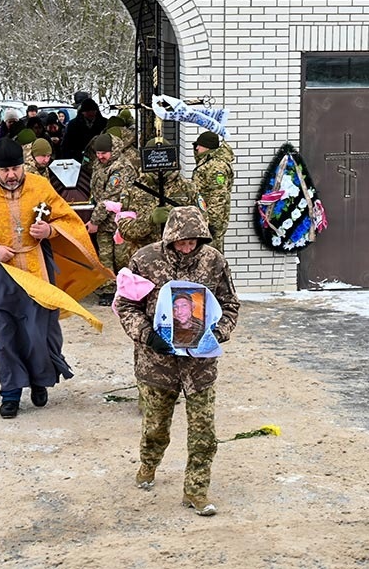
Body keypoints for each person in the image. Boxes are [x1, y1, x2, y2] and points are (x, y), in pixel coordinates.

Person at [0, 138, 112, 419]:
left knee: (39, 333)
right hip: (1, 272)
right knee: (6, 336)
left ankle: (40, 381)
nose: (11, 175)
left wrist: (49, 232)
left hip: (36, 268)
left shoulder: (40, 187)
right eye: (4, 170)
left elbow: (68, 220)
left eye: (16, 168)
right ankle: (11, 393)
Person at [115, 206, 240, 517]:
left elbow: (229, 303)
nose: (188, 248)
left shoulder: (213, 261)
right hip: (157, 363)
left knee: (204, 431)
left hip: (200, 364)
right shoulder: (145, 261)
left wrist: (218, 333)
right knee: (157, 426)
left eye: (193, 242)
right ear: (169, 239)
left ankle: (196, 491)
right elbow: (125, 304)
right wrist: (146, 334)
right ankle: (148, 463)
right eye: (181, 242)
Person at [87, 132, 136, 305]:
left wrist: (94, 221)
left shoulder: (121, 168)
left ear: (113, 150)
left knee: (122, 257)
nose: (100, 156)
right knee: (105, 256)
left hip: (120, 221)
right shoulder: (99, 164)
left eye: (103, 153)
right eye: (98, 153)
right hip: (104, 222)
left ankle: (126, 291)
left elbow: (110, 198)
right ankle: (108, 289)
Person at [191, 131, 235, 253]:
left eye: (199, 145)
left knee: (211, 257)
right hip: (204, 219)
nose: (197, 148)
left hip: (210, 223)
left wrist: (211, 225)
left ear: (208, 147)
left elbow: (218, 197)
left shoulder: (216, 167)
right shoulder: (207, 162)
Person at [61, 97, 108, 162]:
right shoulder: (73, 125)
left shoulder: (104, 123)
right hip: (78, 159)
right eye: (88, 111)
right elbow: (66, 145)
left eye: (93, 111)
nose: (91, 113)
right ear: (83, 112)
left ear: (96, 111)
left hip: (100, 158)